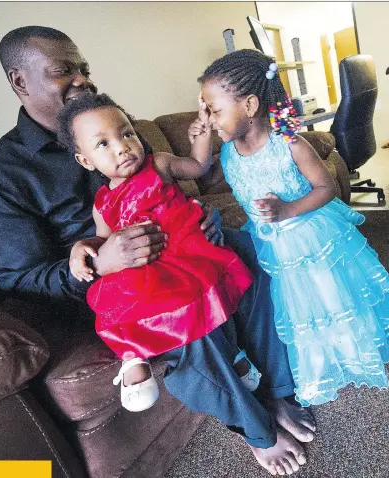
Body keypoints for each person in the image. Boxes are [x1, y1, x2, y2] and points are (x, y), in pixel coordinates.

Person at [0, 26, 315, 476]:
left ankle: (277, 392)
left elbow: (169, 184)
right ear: (20, 82)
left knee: (250, 255)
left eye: (84, 68)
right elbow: (17, 276)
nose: (81, 80)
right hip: (117, 288)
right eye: (63, 71)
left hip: (180, 249)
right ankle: (255, 428)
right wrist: (99, 262)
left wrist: (200, 212)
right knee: (191, 325)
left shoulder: (116, 124)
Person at [196, 49, 389, 407]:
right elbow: (199, 172)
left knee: (330, 298)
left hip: (309, 234)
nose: (209, 118)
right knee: (296, 309)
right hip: (269, 241)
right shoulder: (226, 152)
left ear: (250, 105)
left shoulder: (290, 144)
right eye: (205, 110)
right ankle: (317, 366)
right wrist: (204, 131)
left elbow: (326, 188)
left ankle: (352, 354)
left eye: (214, 110)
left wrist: (286, 210)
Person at [60, 92, 256, 412]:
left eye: (126, 133)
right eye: (103, 144)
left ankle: (232, 353)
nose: (122, 146)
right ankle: (133, 358)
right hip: (145, 264)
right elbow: (104, 241)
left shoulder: (160, 164)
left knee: (203, 288)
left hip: (184, 250)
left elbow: (197, 166)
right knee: (111, 294)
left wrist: (203, 133)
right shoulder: (101, 204)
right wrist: (80, 249)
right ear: (85, 160)